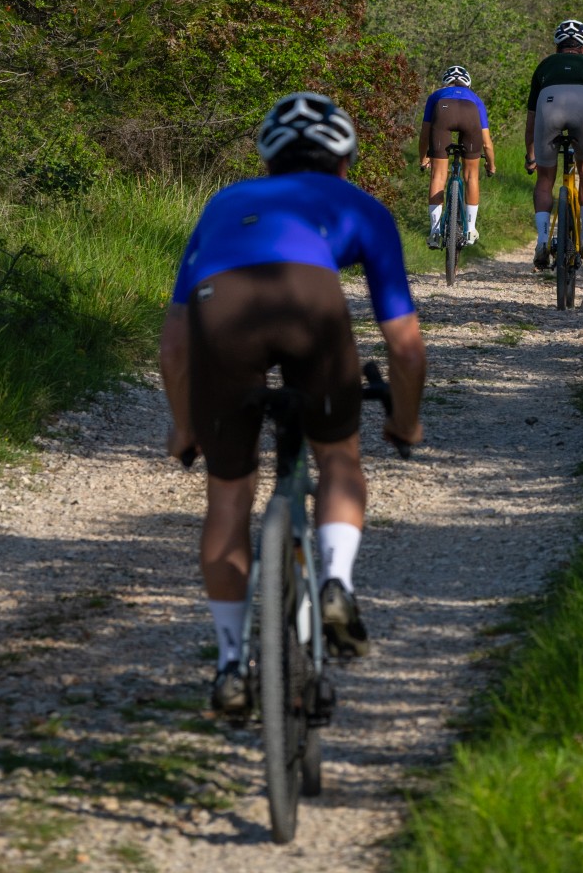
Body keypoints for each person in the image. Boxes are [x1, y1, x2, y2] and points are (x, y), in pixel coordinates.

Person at [159, 90, 427, 719]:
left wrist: (183, 425)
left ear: (267, 158)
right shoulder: (360, 205)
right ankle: (335, 581)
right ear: (345, 159)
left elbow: (174, 342)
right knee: (338, 457)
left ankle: (230, 665)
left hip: (219, 309)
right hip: (310, 304)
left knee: (228, 496)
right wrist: (405, 420)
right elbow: (406, 349)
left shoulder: (224, 203)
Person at [525, 18, 583, 268]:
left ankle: (543, 240)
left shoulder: (544, 66)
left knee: (545, 178)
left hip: (549, 105)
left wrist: (530, 155)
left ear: (557, 48)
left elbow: (531, 120)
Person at [418, 63, 496, 249]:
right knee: (471, 177)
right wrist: (491, 165)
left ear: (446, 83)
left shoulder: (436, 96)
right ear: (467, 84)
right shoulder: (475, 99)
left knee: (438, 176)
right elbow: (486, 142)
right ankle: (470, 229)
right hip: (470, 116)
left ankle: (435, 232)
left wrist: (423, 158)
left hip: (443, 112)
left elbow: (424, 134)